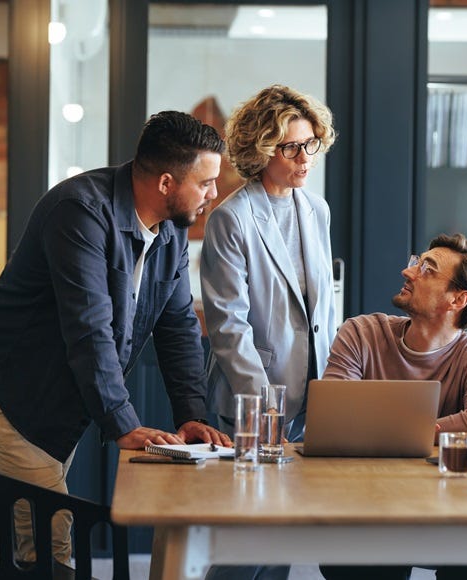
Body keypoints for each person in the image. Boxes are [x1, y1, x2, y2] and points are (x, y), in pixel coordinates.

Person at [0, 111, 233, 571]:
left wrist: (192, 417)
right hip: (9, 384)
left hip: (63, 384)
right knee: (47, 538)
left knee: (18, 525)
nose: (214, 194)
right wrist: (122, 423)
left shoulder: (170, 230)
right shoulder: (80, 213)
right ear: (167, 182)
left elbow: (178, 324)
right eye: (205, 182)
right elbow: (89, 328)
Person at [200, 84, 338, 580]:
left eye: (311, 145)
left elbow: (323, 308)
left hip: (313, 399)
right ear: (262, 149)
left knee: (280, 539)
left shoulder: (315, 210)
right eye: (291, 147)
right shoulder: (230, 219)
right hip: (252, 406)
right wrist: (267, 411)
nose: (305, 158)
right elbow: (227, 326)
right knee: (242, 545)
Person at [319, 233, 467, 580]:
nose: (409, 273)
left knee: (463, 554)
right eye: (415, 262)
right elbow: (332, 415)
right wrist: (426, 430)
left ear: (458, 299)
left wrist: (394, 430)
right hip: (365, 504)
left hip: (444, 510)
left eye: (427, 270)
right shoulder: (361, 333)